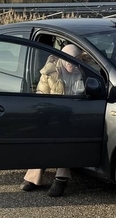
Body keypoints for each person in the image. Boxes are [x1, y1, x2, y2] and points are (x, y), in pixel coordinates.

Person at [21, 43, 87, 197]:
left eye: (75, 60)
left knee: (65, 137)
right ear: (62, 59)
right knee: (45, 135)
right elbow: (41, 96)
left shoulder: (85, 71)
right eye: (68, 60)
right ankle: (33, 177)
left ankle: (61, 178)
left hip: (78, 115)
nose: (72, 64)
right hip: (54, 113)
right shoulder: (50, 72)